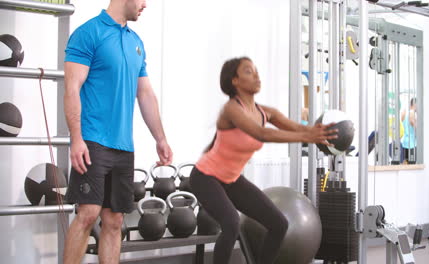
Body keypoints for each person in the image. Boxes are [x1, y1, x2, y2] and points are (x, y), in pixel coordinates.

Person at [189, 57, 338, 264]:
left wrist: (317, 132)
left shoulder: (264, 112)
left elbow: (294, 127)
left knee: (278, 224)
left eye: (256, 70)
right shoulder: (231, 109)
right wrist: (307, 137)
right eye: (249, 71)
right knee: (231, 223)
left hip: (231, 179)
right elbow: (261, 134)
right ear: (235, 80)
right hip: (205, 177)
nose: (256, 75)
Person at [62, 1, 173, 263]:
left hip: (123, 145)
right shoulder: (88, 33)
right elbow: (72, 89)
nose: (145, 4)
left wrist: (161, 138)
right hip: (92, 140)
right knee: (88, 213)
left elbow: (145, 93)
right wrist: (76, 139)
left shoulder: (136, 42)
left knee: (114, 221)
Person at [401, 97, 417, 164]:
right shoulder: (412, 113)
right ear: (415, 104)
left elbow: (402, 122)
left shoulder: (404, 113)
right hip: (412, 144)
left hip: (405, 142)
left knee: (406, 164)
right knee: (412, 165)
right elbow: (413, 123)